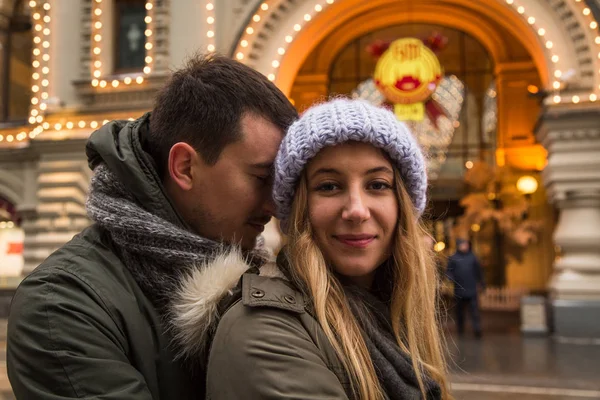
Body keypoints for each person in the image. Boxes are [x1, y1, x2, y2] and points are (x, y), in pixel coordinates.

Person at [7, 53, 297, 399]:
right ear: (185, 167)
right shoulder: (61, 305)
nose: (274, 203)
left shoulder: (265, 274)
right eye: (262, 177)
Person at [171, 99, 451, 399]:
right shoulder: (263, 331)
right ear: (299, 209)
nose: (357, 210)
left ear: (403, 207)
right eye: (329, 186)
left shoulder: (395, 316)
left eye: (378, 184)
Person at [446, 239, 485, 338]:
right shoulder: (454, 258)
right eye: (463, 245)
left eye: (466, 244)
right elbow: (448, 271)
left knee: (474, 312)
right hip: (459, 290)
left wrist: (482, 284)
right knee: (459, 312)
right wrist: (450, 278)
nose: (464, 246)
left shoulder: (473, 257)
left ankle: (477, 330)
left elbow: (479, 272)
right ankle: (460, 330)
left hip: (472, 289)